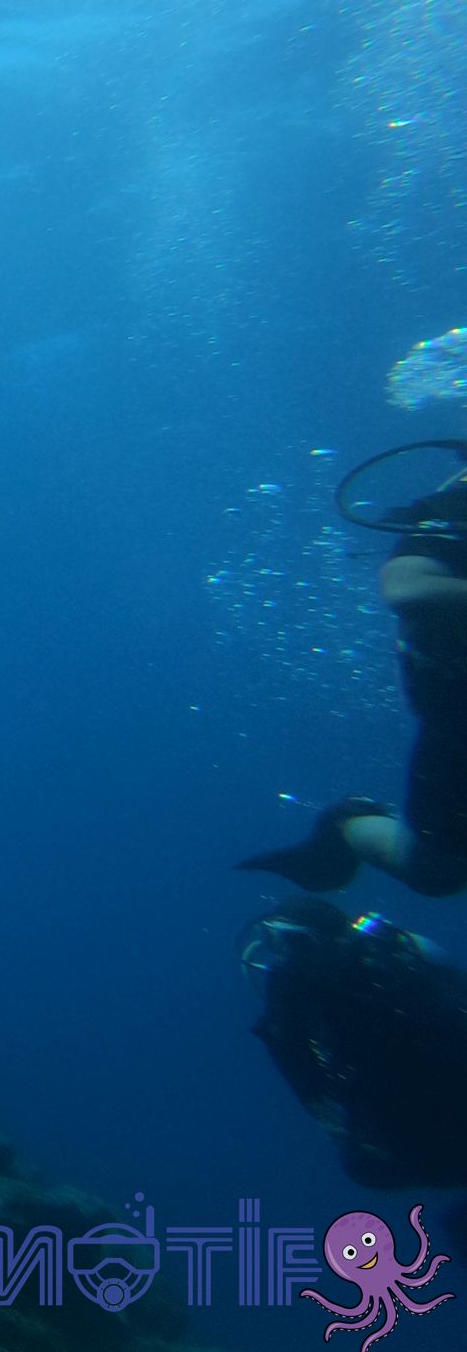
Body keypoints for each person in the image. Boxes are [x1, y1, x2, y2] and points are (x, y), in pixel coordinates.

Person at [240, 466, 467, 896]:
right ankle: (349, 824)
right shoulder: (459, 500)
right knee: (438, 872)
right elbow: (406, 587)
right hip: (458, 720)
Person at [241, 896, 467, 1189]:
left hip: (441, 1074)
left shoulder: (389, 966)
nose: (290, 956)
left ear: (334, 942)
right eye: (277, 942)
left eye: (300, 943)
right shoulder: (288, 986)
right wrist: (330, 1118)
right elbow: (290, 1053)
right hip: (380, 1098)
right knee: (374, 1167)